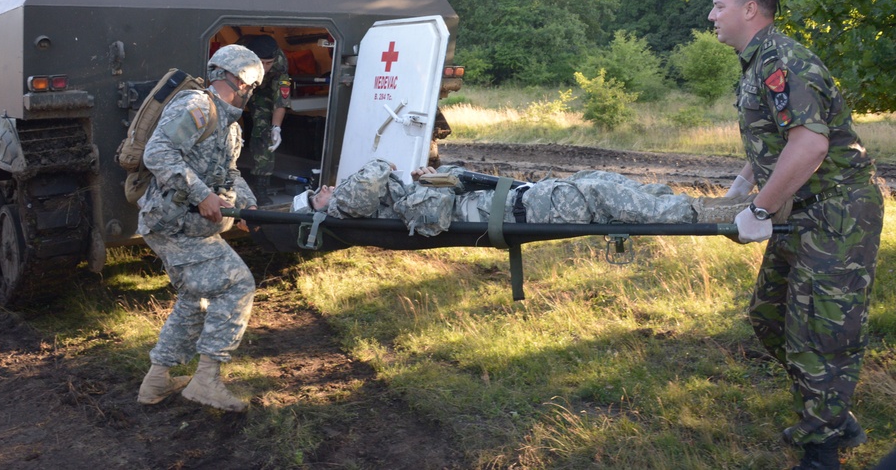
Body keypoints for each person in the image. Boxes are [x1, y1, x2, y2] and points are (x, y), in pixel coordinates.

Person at [710, 0, 885, 470]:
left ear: (750, 9)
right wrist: (744, 187)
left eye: (719, 6)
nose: (711, 15)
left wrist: (761, 208)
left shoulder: (784, 59)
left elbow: (810, 144)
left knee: (821, 330)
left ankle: (823, 445)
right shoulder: (758, 62)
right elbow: (777, 137)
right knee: (769, 316)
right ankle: (832, 413)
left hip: (837, 212)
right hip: (800, 210)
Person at [135, 45, 265, 412]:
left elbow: (231, 173)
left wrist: (247, 205)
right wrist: (202, 193)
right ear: (241, 80)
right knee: (237, 283)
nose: (250, 92)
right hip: (171, 224)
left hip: (190, 226)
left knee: (195, 296)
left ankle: (157, 381)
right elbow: (157, 153)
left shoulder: (229, 125)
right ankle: (206, 381)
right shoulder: (195, 107)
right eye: (252, 85)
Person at [290, 159, 763, 234]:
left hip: (521, 197)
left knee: (601, 176)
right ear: (317, 207)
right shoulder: (353, 206)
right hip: (518, 209)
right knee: (600, 194)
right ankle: (710, 212)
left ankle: (723, 199)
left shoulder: (394, 198)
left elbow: (444, 190)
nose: (325, 187)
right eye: (318, 194)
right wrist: (388, 167)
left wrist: (434, 176)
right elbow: (364, 184)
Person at [242, 35, 292, 205]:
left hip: (263, 92)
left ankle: (260, 186)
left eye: (268, 63)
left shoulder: (280, 63)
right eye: (261, 63)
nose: (265, 67)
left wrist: (276, 128)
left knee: (265, 131)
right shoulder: (238, 57)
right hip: (239, 86)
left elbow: (281, 98)